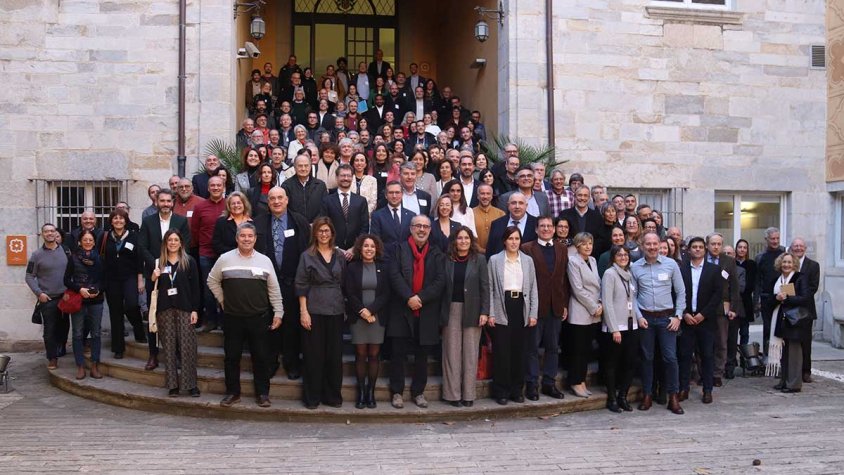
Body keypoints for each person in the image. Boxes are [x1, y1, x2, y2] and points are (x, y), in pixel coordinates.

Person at [207, 222, 283, 408]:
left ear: (255, 239)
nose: (246, 239)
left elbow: (274, 289)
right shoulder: (225, 259)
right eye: (243, 236)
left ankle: (263, 394)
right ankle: (233, 393)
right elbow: (212, 280)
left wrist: (278, 312)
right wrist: (223, 300)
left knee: (261, 357)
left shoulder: (265, 261)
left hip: (259, 317)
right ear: (237, 238)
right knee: (232, 357)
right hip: (233, 318)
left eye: (250, 236)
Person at [387, 215, 446, 409]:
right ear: (411, 228)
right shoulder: (399, 249)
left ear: (430, 230)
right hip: (401, 309)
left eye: (426, 226)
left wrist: (420, 298)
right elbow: (394, 275)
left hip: (426, 310)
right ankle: (397, 392)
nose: (422, 229)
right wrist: (409, 297)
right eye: (418, 226)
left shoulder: (437, 253)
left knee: (422, 355)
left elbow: (440, 281)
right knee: (397, 354)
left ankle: (418, 392)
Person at [254, 187, 310, 380]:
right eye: (272, 199)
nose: (276, 201)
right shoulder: (259, 222)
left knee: (292, 325)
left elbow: (307, 251)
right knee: (269, 324)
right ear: (268, 202)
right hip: (266, 284)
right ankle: (270, 362)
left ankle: (292, 363)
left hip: (292, 282)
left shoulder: (299, 221)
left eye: (280, 198)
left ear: (287, 200)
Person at [631, 232, 686, 415]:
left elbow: (680, 292)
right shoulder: (635, 267)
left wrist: (678, 316)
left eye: (655, 244)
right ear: (643, 245)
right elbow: (632, 295)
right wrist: (638, 316)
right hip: (646, 319)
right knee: (647, 358)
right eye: (649, 244)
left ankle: (673, 396)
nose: (652, 247)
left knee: (670, 358)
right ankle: (647, 394)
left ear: (660, 245)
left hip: (667, 319)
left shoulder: (671, 265)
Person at [295, 217, 347, 409]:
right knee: (313, 355)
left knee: (334, 356)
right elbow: (301, 284)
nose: (323, 234)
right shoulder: (307, 256)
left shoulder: (339, 255)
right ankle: (312, 397)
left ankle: (332, 396)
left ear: (332, 233)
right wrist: (303, 312)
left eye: (327, 231)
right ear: (314, 233)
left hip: (335, 309)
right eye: (320, 231)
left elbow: (345, 282)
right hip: (314, 309)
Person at [138, 189, 191, 370]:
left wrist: (172, 264)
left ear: (173, 202)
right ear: (156, 202)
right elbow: (142, 246)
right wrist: (157, 263)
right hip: (155, 275)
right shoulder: (147, 222)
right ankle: (153, 354)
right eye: (163, 201)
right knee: (153, 314)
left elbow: (186, 245)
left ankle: (176, 354)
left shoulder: (181, 221)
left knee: (175, 315)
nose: (166, 204)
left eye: (169, 201)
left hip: (176, 275)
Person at [487, 226, 539, 405]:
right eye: (510, 239)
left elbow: (533, 289)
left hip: (521, 307)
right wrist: (491, 313)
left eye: (517, 239)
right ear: (504, 241)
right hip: (502, 306)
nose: (514, 242)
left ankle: (517, 390)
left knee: (519, 351)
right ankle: (501, 390)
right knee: (502, 351)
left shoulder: (527, 261)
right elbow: (491, 288)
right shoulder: (494, 260)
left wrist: (533, 313)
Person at [440, 226, 489, 407]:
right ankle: (452, 395)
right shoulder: (446, 260)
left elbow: (485, 287)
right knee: (451, 353)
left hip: (474, 310)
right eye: (460, 238)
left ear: (471, 241)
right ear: (454, 241)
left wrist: (485, 311)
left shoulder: (480, 260)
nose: (463, 241)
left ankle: (468, 394)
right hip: (451, 309)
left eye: (466, 238)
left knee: (470, 353)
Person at [521, 216, 569, 400]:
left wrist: (564, 303)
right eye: (543, 226)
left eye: (550, 226)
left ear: (554, 229)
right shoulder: (527, 248)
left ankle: (549, 383)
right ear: (536, 229)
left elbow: (564, 279)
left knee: (552, 347)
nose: (546, 229)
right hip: (535, 307)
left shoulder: (562, 248)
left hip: (555, 306)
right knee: (531, 348)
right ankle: (532, 384)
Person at [151, 229, 201, 397]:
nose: (172, 243)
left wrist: (195, 309)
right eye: (169, 240)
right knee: (169, 349)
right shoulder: (159, 263)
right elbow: (151, 289)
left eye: (175, 240)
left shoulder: (189, 262)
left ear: (181, 243)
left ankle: (191, 384)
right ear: (165, 243)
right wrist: (153, 277)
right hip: (164, 310)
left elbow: (196, 288)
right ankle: (172, 385)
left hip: (185, 308)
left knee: (188, 347)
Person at [343, 235, 391, 409]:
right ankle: (361, 392)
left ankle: (371, 392)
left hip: (377, 317)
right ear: (360, 249)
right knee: (361, 355)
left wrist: (371, 311)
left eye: (372, 246)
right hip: (358, 317)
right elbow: (349, 292)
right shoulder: (352, 267)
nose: (369, 249)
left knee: (373, 355)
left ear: (376, 249)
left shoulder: (384, 268)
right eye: (365, 246)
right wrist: (363, 311)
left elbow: (386, 293)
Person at [677, 237, 723, 405]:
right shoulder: (682, 270)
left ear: (705, 250)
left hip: (706, 320)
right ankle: (683, 388)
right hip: (687, 319)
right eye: (694, 247)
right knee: (685, 356)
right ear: (688, 250)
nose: (697, 249)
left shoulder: (714, 270)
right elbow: (677, 293)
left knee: (707, 355)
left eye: (700, 247)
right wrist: (685, 313)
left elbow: (717, 295)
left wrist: (703, 314)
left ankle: (707, 390)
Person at [101, 208, 146, 359]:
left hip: (130, 278)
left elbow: (139, 260)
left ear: (126, 221)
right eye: (115, 218)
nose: (118, 221)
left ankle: (139, 329)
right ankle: (118, 347)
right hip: (111, 280)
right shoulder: (105, 237)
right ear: (111, 221)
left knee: (132, 305)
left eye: (121, 218)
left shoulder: (134, 236)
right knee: (115, 312)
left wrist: (140, 280)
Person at [26, 223, 70, 370]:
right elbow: (29, 277)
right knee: (49, 331)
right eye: (46, 231)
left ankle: (62, 348)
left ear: (56, 233)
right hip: (48, 299)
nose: (50, 233)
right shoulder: (36, 255)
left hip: (65, 298)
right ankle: (52, 358)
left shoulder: (66, 251)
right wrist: (39, 293)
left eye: (52, 231)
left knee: (64, 328)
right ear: (42, 234)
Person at [600, 245, 639, 412]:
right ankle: (612, 398)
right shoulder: (610, 274)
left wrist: (640, 318)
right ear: (613, 257)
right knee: (612, 364)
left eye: (625, 254)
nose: (623, 257)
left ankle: (623, 395)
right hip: (615, 327)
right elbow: (607, 303)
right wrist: (614, 328)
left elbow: (633, 300)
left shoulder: (630, 274)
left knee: (630, 363)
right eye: (619, 254)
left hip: (632, 324)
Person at [769, 252, 812, 393]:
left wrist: (786, 298)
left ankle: (793, 384)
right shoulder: (777, 279)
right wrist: (777, 297)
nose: (786, 265)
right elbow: (770, 298)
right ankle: (784, 381)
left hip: (795, 320)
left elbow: (805, 298)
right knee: (784, 353)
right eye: (784, 262)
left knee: (794, 353)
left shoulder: (800, 278)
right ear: (780, 264)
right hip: (781, 319)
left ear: (794, 264)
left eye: (789, 262)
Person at [64, 229, 105, 380]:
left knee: (96, 333)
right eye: (85, 240)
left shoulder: (100, 259)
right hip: (79, 300)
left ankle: (94, 365)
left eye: (90, 240)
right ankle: (80, 366)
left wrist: (98, 290)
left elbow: (105, 279)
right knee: (77, 333)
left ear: (94, 242)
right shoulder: (73, 258)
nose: (88, 242)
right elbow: (66, 280)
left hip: (96, 301)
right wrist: (79, 289)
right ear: (80, 242)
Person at [566, 232, 602, 398]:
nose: (588, 246)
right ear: (578, 245)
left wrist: (600, 303)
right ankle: (575, 381)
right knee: (578, 350)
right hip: (581, 310)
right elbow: (577, 289)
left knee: (587, 349)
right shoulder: (573, 261)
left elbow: (598, 284)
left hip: (594, 311)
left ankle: (582, 381)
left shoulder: (593, 260)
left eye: (590, 243)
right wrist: (594, 307)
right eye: (584, 243)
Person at [191, 176, 227, 332]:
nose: (216, 188)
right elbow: (195, 230)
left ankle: (225, 320)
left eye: (219, 185)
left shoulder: (230, 204)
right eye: (213, 185)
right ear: (208, 188)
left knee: (227, 288)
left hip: (226, 254)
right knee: (208, 289)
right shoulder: (200, 207)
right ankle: (211, 320)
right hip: (206, 253)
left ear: (223, 186)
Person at [705, 232, 741, 384]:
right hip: (703, 306)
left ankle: (717, 373)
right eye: (713, 244)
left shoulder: (728, 261)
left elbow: (734, 286)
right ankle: (704, 372)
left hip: (722, 307)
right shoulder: (701, 259)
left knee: (721, 341)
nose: (716, 247)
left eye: (719, 244)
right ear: (707, 245)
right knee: (704, 342)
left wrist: (733, 307)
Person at [319, 164, 370, 258]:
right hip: (332, 252)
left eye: (349, 176)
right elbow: (323, 225)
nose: (346, 178)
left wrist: (354, 248)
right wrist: (335, 248)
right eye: (342, 175)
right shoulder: (327, 201)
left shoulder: (361, 201)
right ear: (337, 177)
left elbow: (364, 227)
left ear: (352, 178)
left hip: (355, 253)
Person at [788, 238, 820, 383]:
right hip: (789, 309)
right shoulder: (787, 263)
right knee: (790, 342)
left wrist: (795, 296)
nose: (798, 248)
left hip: (806, 310)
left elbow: (813, 288)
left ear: (805, 248)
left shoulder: (813, 266)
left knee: (805, 342)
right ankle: (790, 370)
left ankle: (806, 371)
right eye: (796, 246)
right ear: (791, 248)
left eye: (801, 246)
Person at [756, 227, 785, 355]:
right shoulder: (760, 257)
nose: (775, 241)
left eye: (777, 238)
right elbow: (757, 281)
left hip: (783, 296)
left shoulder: (785, 254)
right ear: (766, 240)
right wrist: (757, 300)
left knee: (783, 329)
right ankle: (768, 359)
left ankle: (782, 359)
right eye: (772, 238)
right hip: (767, 297)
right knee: (768, 329)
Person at [486, 192, 538, 258]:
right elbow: (490, 251)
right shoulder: (497, 224)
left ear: (526, 205)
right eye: (513, 203)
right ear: (508, 206)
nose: (517, 206)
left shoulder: (536, 224)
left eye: (521, 203)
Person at [281, 153, 328, 222]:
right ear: (294, 167)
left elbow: (324, 208)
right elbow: (285, 209)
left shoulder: (320, 185)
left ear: (310, 167)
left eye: (306, 166)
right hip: (295, 226)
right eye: (300, 166)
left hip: (316, 226)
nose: (303, 169)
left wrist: (316, 223)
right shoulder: (286, 186)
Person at [559, 186, 602, 254]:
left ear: (589, 198)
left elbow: (599, 239)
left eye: (585, 196)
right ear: (574, 197)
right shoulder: (564, 214)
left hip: (591, 255)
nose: (582, 198)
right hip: (569, 254)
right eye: (580, 195)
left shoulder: (597, 216)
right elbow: (560, 237)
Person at [212, 192, 254, 257]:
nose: (236, 205)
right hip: (228, 259)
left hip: (248, 259)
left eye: (239, 203)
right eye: (233, 203)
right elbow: (216, 244)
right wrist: (237, 252)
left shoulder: (252, 222)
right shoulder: (221, 222)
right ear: (229, 206)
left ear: (244, 204)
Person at [735, 239, 757, 346]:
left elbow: (752, 283)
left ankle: (744, 357)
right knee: (733, 332)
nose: (742, 249)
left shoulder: (752, 264)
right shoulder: (731, 263)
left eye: (744, 247)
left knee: (744, 332)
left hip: (746, 301)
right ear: (736, 249)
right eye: (740, 247)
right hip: (734, 301)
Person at [472, 183, 505, 255]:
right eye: (482, 194)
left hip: (497, 255)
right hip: (476, 255)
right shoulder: (470, 213)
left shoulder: (501, 214)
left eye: (488, 194)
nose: (485, 196)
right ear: (477, 196)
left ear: (492, 196)